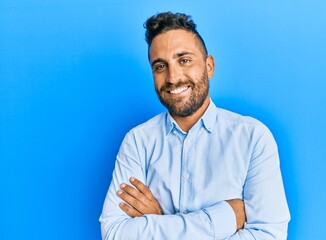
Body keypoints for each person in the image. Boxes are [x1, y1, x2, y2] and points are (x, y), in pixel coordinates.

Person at [100, 12, 290, 240]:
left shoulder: (253, 138)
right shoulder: (138, 142)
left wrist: (159, 222)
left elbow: (269, 236)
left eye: (184, 60)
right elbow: (114, 233)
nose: (173, 77)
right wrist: (226, 217)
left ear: (209, 66)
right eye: (160, 66)